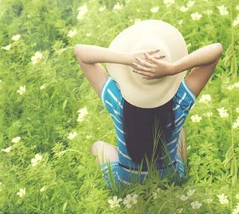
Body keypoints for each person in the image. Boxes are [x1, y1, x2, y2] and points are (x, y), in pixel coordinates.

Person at [73, 19, 223, 190]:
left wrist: (129, 59)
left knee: (98, 146)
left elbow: (80, 52)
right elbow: (216, 50)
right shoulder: (180, 103)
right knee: (180, 132)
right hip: (170, 182)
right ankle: (178, 174)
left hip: (126, 185)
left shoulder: (117, 102)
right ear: (168, 78)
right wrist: (173, 68)